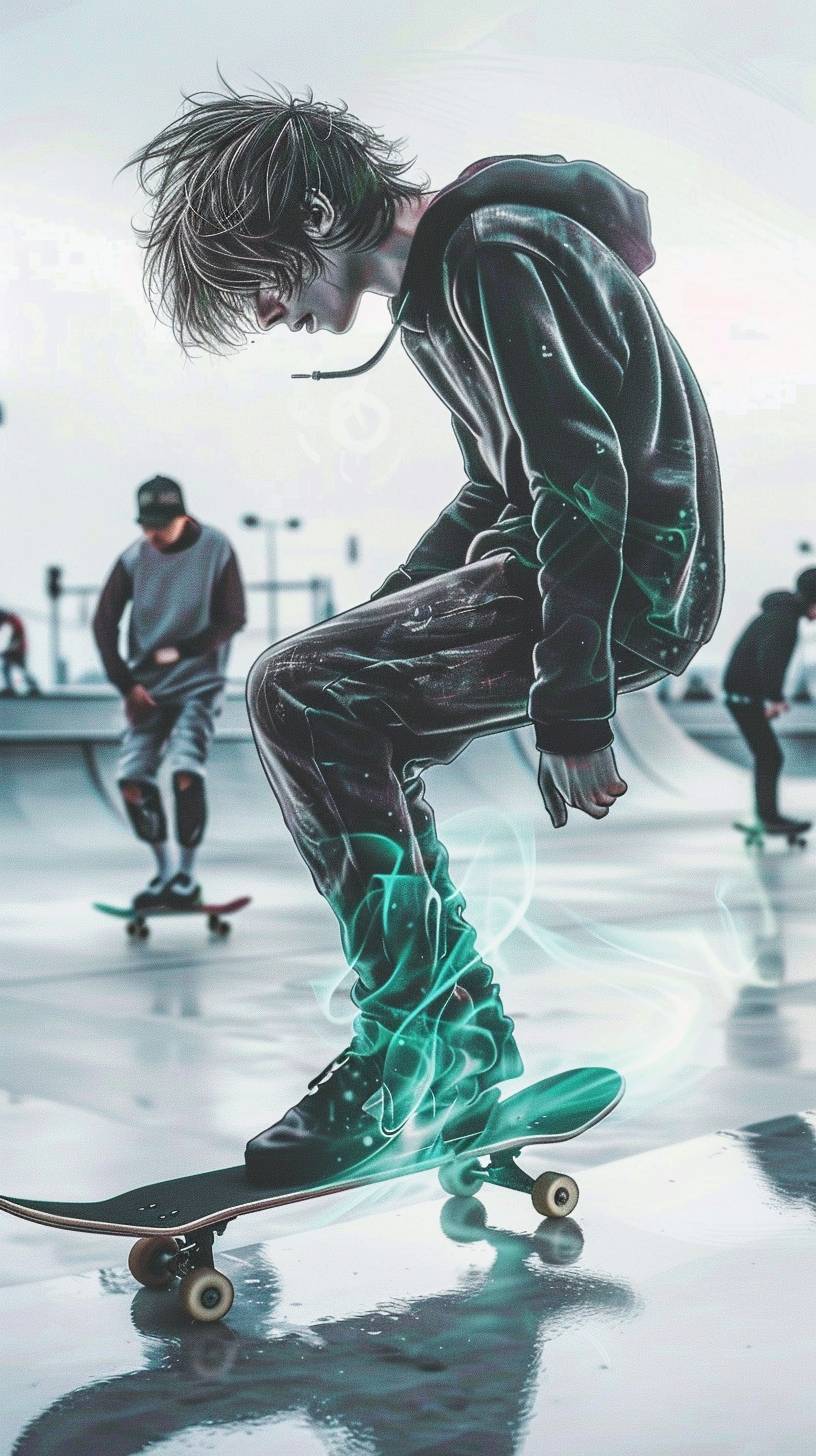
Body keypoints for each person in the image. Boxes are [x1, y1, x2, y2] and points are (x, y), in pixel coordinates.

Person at [129, 86, 723, 1186]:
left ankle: (408, 1051)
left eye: (258, 283)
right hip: (573, 564)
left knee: (299, 693)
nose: (266, 316)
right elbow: (486, 491)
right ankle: (462, 1044)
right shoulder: (444, 291)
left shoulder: (499, 252)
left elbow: (577, 476)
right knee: (318, 694)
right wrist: (372, 618)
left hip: (626, 576)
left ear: (313, 219)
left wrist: (573, 701)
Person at [93, 476, 246, 909]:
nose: (152, 534)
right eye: (146, 525)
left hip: (199, 685)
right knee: (132, 781)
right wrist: (128, 686)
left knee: (185, 770)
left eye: (161, 524)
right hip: (147, 691)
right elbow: (103, 624)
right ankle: (163, 874)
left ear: (183, 516)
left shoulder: (217, 548)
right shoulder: (132, 559)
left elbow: (233, 617)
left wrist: (184, 650)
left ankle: (186, 877)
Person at [723, 568, 816, 834]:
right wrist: (774, 698)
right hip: (744, 698)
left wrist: (770, 698)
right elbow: (770, 661)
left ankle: (766, 816)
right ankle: (768, 819)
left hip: (743, 697)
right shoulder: (783, 621)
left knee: (768, 756)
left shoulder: (778, 615)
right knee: (770, 756)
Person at [0, 609, 40, 695]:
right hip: (17, 649)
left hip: (18, 650)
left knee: (11, 668)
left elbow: (17, 639)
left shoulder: (14, 622)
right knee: (12, 668)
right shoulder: (11, 621)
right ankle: (32, 686)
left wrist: (8, 650)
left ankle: (32, 686)